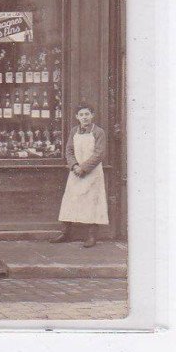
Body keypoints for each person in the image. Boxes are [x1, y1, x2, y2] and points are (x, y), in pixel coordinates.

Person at [52, 103, 109, 248]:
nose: (84, 117)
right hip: (75, 172)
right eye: (81, 115)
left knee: (93, 202)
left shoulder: (99, 132)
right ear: (77, 117)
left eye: (87, 114)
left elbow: (99, 154)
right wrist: (74, 166)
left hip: (92, 173)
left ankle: (91, 236)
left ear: (92, 115)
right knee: (70, 200)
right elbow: (69, 151)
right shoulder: (74, 131)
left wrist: (84, 168)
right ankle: (65, 233)